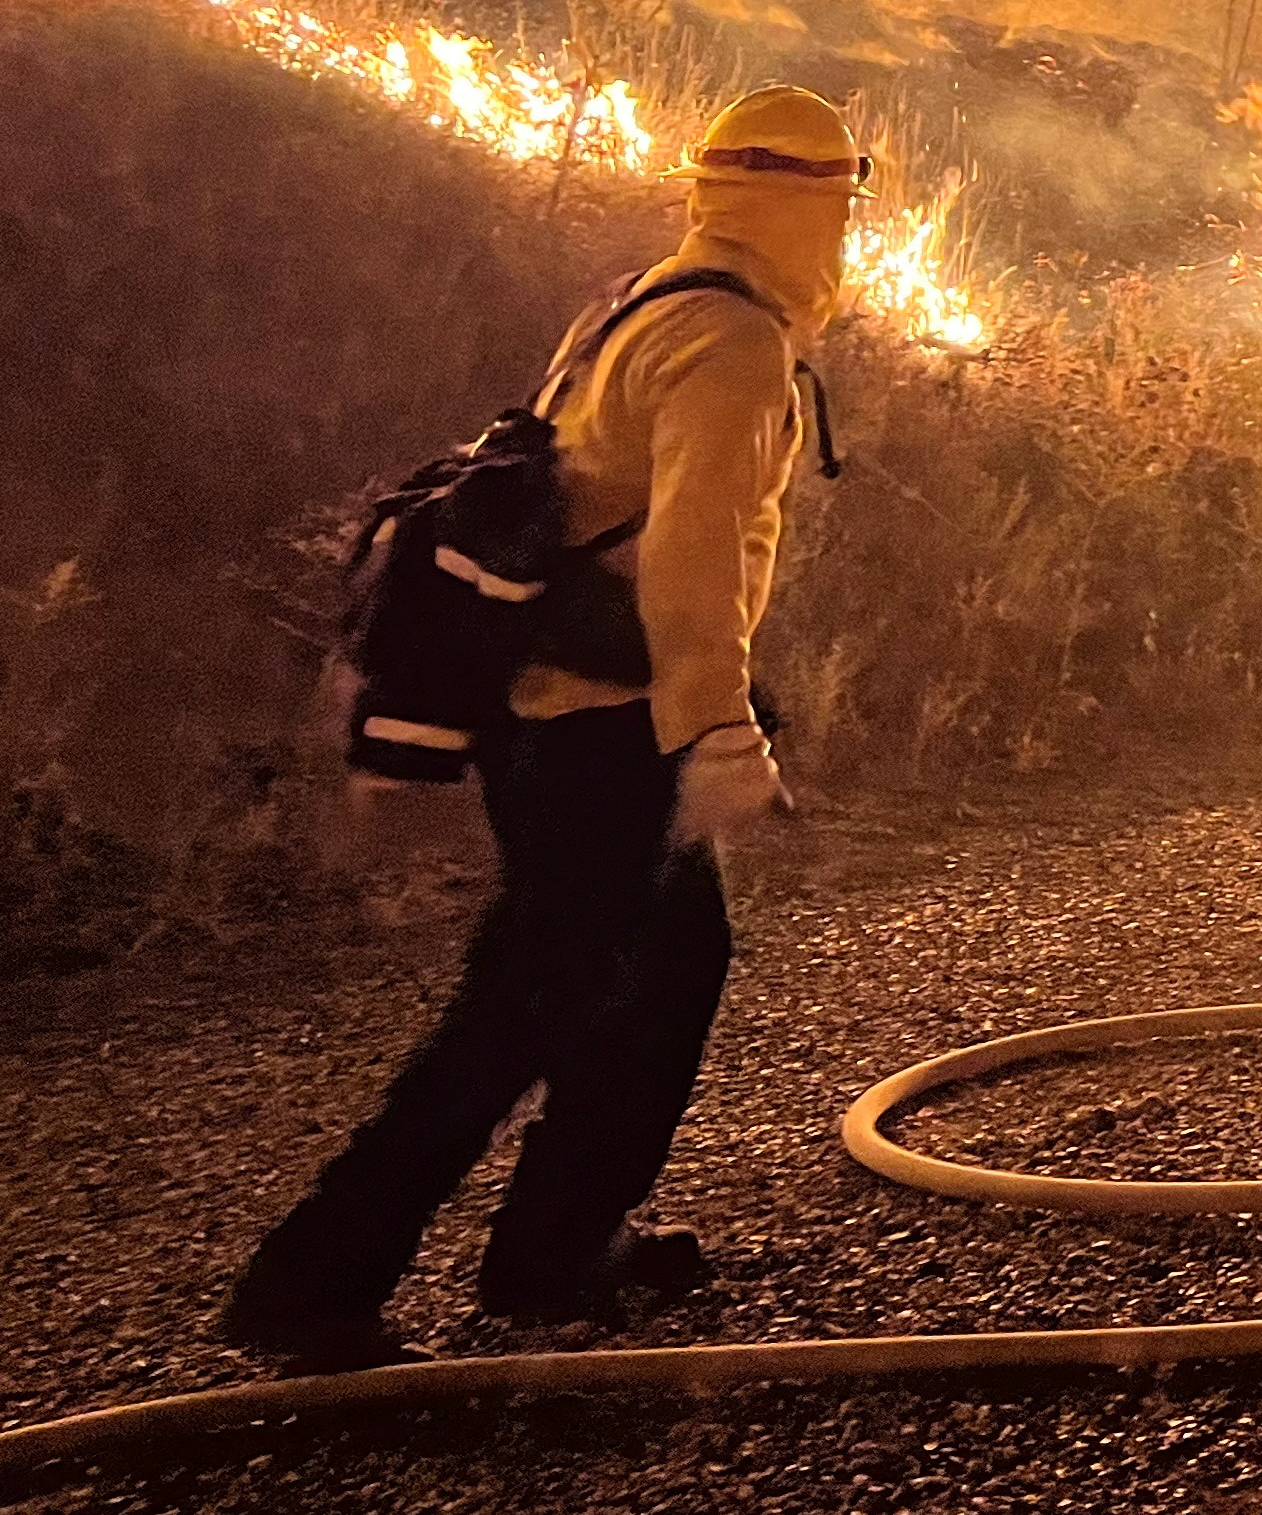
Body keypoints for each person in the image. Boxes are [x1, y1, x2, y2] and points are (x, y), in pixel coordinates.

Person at [223, 85, 862, 1370]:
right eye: (840, 204)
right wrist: (719, 734)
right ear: (812, 207)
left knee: (663, 976)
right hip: (603, 736)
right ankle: (312, 1282)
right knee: (525, 1006)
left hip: (549, 714)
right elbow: (690, 558)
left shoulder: (645, 299)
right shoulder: (732, 345)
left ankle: (556, 1254)